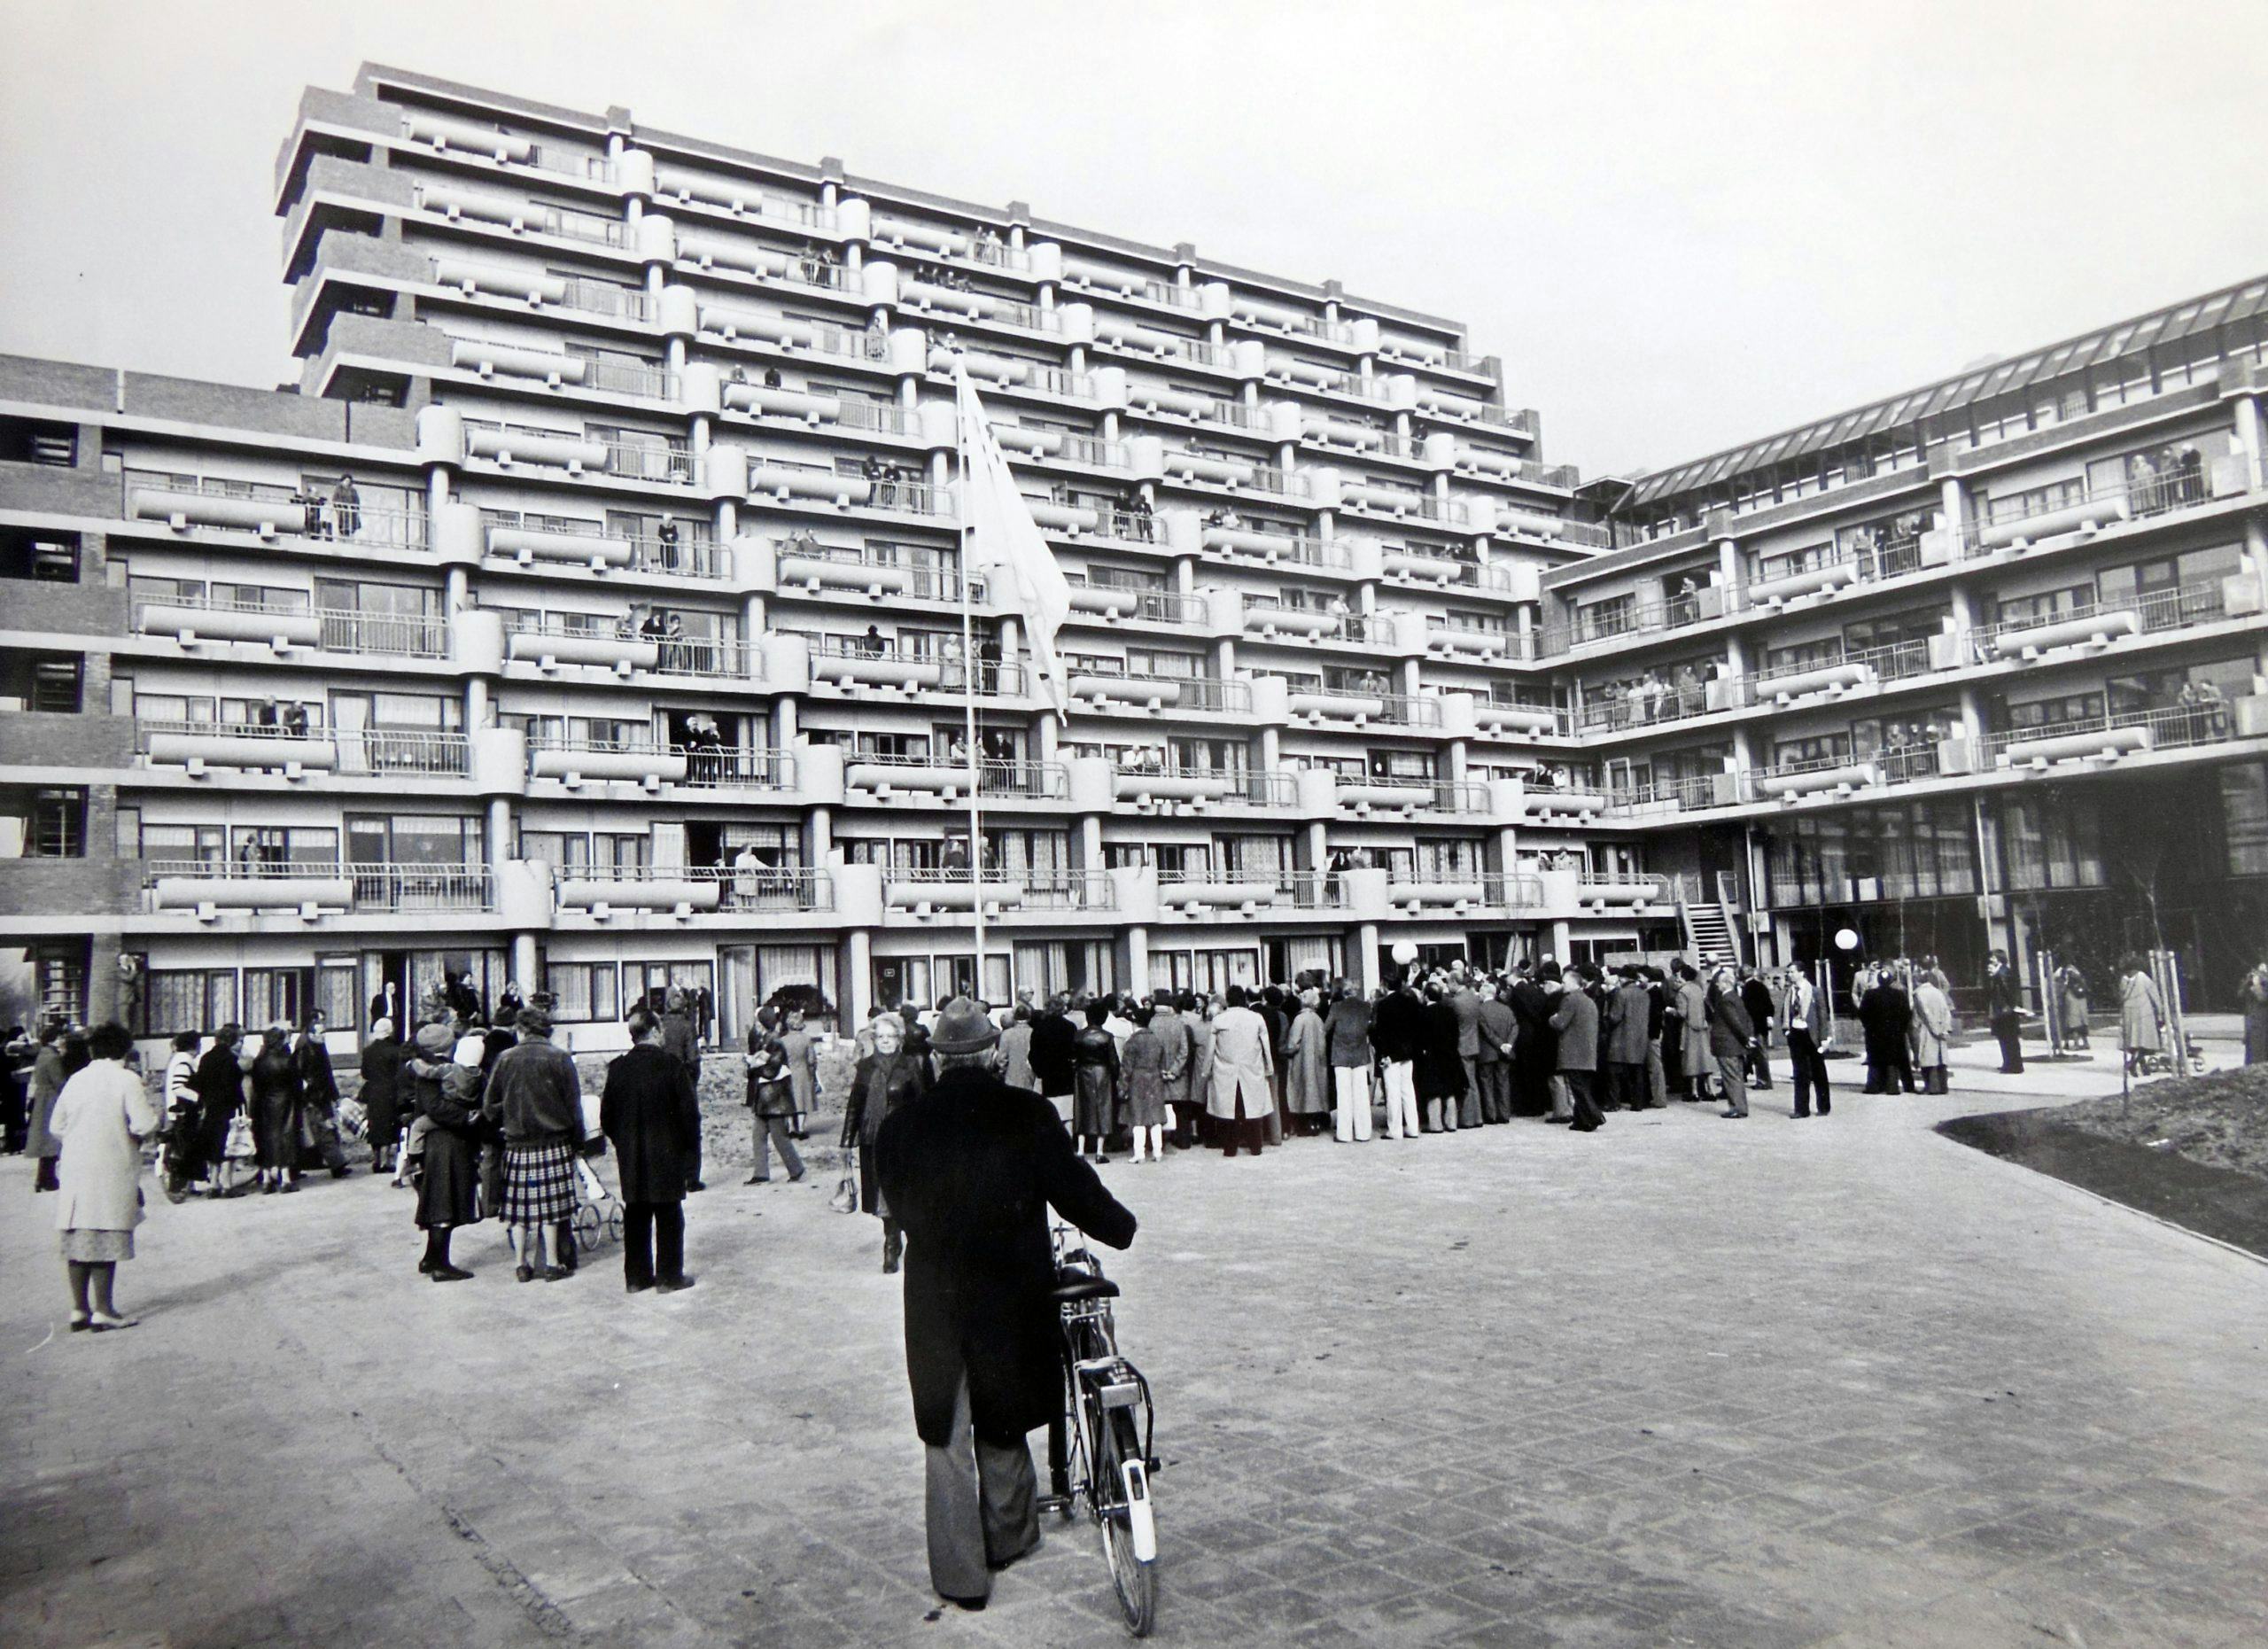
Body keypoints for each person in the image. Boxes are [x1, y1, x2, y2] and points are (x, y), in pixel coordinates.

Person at [872, 998, 1138, 1613]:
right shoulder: (1027, 1112)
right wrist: (1120, 1228)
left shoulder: (901, 1127)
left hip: (936, 1296)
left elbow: (896, 1205)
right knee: (1004, 1407)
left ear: (938, 1057)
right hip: (1011, 1290)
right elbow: (1075, 1189)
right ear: (993, 1052)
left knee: (946, 1424)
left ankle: (961, 1575)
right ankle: (1011, 1536)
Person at [49, 1023, 160, 1333]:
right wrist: (154, 1121)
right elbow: (142, 1124)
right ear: (124, 1049)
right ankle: (104, 1309)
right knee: (105, 1236)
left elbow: (56, 1126)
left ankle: (78, 1309)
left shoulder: (77, 1079)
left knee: (78, 1237)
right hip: (112, 1166)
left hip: (75, 1165)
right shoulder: (127, 1080)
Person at [602, 1007, 703, 1294]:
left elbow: (607, 1117)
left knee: (636, 1214)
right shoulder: (672, 1066)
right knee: (670, 1214)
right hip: (667, 1153)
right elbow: (689, 1116)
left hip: (631, 1155)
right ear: (655, 1032)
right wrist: (689, 1154)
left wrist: (623, 1142)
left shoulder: (618, 1068)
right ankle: (669, 1277)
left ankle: (636, 1277)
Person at [485, 1006, 586, 1282]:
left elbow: (489, 1106)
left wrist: (506, 1117)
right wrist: (579, 1141)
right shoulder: (560, 1058)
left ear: (520, 1030)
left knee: (520, 1210)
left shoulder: (505, 1058)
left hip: (518, 1144)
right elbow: (574, 1106)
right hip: (554, 1142)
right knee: (551, 1208)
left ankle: (521, 1263)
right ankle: (552, 1264)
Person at [843, 1015, 928, 1272]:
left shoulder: (910, 1065)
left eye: (890, 1037)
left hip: (904, 1142)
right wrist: (846, 1141)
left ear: (899, 1039)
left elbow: (922, 1104)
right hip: (874, 1142)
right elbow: (854, 1106)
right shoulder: (865, 1068)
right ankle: (891, 1242)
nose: (886, 1042)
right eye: (880, 1037)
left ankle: (904, 1239)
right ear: (873, 1039)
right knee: (883, 1194)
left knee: (903, 1192)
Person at [405, 1022, 481, 1281]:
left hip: (437, 1142)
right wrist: (467, 1118)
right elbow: (435, 1108)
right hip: (445, 1142)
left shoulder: (429, 1068)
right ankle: (441, 1263)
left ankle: (430, 1257)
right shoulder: (437, 1072)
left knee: (438, 1199)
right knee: (444, 1203)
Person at [1207, 985, 1274, 1157]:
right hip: (1252, 1069)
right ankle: (1256, 1147)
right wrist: (1269, 1067)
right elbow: (1266, 1046)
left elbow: (1210, 1049)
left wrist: (1205, 1070)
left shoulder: (1219, 1020)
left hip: (1225, 1071)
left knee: (1230, 1111)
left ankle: (1230, 1148)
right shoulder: (1256, 1018)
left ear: (1228, 1000)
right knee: (1253, 1109)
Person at [742, 1007, 805, 1186]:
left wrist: (752, 1066)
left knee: (777, 1136)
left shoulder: (774, 1042)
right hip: (768, 1098)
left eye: (757, 1022)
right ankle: (765, 1173)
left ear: (763, 1023)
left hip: (774, 1098)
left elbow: (771, 1071)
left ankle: (794, 1169)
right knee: (760, 1135)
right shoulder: (767, 1040)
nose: (756, 1025)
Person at [292, 1014, 353, 1179]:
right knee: (324, 1130)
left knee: (326, 1130)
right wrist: (312, 1097)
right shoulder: (306, 1052)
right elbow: (306, 1078)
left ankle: (332, 1162)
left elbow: (327, 1076)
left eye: (324, 1032)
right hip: (315, 1099)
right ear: (311, 1035)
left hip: (322, 1096)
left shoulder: (318, 1049)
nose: (324, 1035)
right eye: (320, 1032)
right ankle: (336, 1164)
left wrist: (335, 1095)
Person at [190, 1023, 247, 1195]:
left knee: (213, 1146)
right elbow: (235, 1085)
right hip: (227, 1107)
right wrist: (241, 1105)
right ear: (232, 1041)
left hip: (210, 1107)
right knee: (228, 1145)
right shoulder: (230, 1059)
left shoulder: (206, 1058)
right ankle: (227, 1185)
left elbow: (198, 1082)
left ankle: (213, 1185)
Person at [1548, 965, 1604, 1132]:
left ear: (1574, 983)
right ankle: (1581, 1121)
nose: (1563, 985)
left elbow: (1560, 1023)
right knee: (1582, 1086)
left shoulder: (1570, 999)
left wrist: (1553, 1018)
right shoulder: (1588, 1000)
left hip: (1573, 1053)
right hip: (1587, 1051)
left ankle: (1594, 1116)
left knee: (1578, 1088)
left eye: (1565, 982)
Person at [248, 1024, 303, 1194]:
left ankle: (266, 1180)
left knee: (265, 1138)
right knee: (285, 1137)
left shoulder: (258, 1061)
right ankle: (285, 1179)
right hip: (286, 1101)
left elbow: (256, 1085)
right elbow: (297, 1084)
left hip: (264, 1102)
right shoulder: (288, 1060)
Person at [1068, 1000, 1120, 1163]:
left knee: (1082, 1108)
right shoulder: (1107, 1037)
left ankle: (1081, 1150)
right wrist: (1115, 1076)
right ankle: (1099, 1151)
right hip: (1102, 1072)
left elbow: (1073, 1058)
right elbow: (1113, 1061)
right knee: (1103, 1109)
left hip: (1083, 1072)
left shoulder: (1078, 1035)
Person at [1323, 983, 1374, 1142]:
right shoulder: (1366, 1006)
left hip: (1341, 1055)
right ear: (1356, 991)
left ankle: (1344, 1134)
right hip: (1359, 1054)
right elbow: (1370, 1027)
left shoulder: (1336, 1007)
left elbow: (1326, 1028)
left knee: (1344, 1096)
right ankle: (1363, 1132)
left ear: (1342, 992)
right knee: (1361, 1095)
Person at [1705, 966, 1757, 1118]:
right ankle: (1741, 1107)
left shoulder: (1725, 1000)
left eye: (1718, 982)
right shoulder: (1735, 997)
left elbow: (1734, 1022)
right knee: (1736, 1076)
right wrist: (1748, 1038)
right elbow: (1746, 1019)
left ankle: (1737, 1108)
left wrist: (1746, 1038)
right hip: (1736, 1045)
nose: (1716, 985)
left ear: (1726, 983)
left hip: (1727, 1045)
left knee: (1730, 1077)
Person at [1119, 1006, 1168, 1163]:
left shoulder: (1132, 1042)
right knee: (1155, 1117)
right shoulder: (1157, 1040)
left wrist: (1122, 1087)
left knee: (1138, 1117)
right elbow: (1163, 1063)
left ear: (1135, 1023)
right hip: (1155, 1078)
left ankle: (1139, 1154)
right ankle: (1157, 1152)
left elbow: (1126, 1067)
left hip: (1137, 1079)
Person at [1507, 966, 1557, 1117]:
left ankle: (1530, 1106)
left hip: (1525, 1034)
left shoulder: (1518, 990)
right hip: (1534, 1034)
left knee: (1526, 1071)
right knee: (1534, 1071)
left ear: (1514, 975)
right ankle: (1538, 1104)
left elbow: (1526, 1010)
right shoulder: (1531, 989)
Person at [360, 1015, 407, 1176]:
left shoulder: (367, 1051)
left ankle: (376, 1159)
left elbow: (364, 1073)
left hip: (373, 1091)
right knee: (388, 1124)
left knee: (375, 1124)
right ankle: (387, 1161)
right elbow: (399, 1073)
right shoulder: (395, 1051)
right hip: (390, 1091)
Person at [26, 1022, 68, 1193]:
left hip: (42, 1098)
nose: (62, 1041)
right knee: (51, 1141)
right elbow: (59, 1081)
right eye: (60, 1038)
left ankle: (42, 1178)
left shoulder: (43, 1054)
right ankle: (47, 1179)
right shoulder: (53, 1058)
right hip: (51, 1100)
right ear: (54, 1039)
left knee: (44, 1141)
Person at [1602, 965, 1651, 1111]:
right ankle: (1638, 1103)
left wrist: (1606, 1016)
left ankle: (1613, 1103)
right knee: (1637, 1073)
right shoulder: (1645, 994)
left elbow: (1615, 1017)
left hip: (1621, 1038)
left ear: (1623, 978)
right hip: (1640, 1038)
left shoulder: (1621, 994)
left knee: (1614, 1073)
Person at [1859, 969, 1916, 1094]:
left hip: (1875, 1034)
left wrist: (1869, 1027)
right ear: (1890, 980)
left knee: (1875, 1060)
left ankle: (1874, 1086)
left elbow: (1862, 1013)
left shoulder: (1869, 994)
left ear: (1878, 980)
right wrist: (1901, 1028)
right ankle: (1893, 1086)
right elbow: (1906, 1014)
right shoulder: (1899, 994)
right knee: (1894, 1060)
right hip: (1895, 1034)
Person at [1281, 989, 1328, 1139]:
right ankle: (1315, 1122)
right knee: (1315, 1090)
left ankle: (1303, 1124)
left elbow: (1293, 1043)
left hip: (1301, 1061)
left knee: (1301, 1090)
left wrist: (1284, 1051)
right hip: (1317, 1061)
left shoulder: (1299, 1019)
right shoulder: (1318, 1019)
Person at [1784, 969, 1832, 1118]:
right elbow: (1785, 1012)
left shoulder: (1815, 991)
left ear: (1802, 973)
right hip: (1796, 1034)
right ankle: (1801, 1109)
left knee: (1818, 1072)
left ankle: (1823, 1107)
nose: (1789, 975)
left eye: (1792, 972)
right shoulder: (1789, 992)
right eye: (1788, 972)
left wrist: (1823, 1037)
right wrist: (1787, 1030)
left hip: (1811, 1035)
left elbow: (1822, 1016)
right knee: (1800, 1072)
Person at [1148, 996, 1192, 1147]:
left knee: (1155, 1109)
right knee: (1181, 1110)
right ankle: (1184, 1140)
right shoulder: (1179, 1024)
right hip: (1178, 1075)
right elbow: (1184, 1050)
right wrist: (1174, 1071)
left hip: (1157, 1074)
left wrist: (1159, 1071)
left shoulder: (1150, 1024)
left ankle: (1156, 1143)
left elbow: (1150, 1051)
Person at [2118, 955, 2169, 1077]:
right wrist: (2161, 1009)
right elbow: (2154, 993)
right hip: (2143, 1011)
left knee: (2134, 1042)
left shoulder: (2123, 980)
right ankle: (2132, 1063)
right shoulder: (2142, 977)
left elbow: (2121, 996)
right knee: (2144, 1042)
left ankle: (2143, 1067)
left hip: (2128, 1011)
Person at [1447, 976, 1485, 1129]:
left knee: (1465, 1083)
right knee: (1472, 1082)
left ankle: (1468, 1119)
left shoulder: (1455, 1002)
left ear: (1454, 982)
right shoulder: (1473, 998)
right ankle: (1477, 1116)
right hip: (1473, 1042)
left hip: (1461, 1045)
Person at [1911, 971, 1954, 1094]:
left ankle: (1931, 1087)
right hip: (1941, 1028)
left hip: (1927, 1029)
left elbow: (1925, 1013)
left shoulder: (1918, 993)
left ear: (1917, 981)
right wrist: (1946, 1028)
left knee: (1927, 1059)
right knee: (1940, 1059)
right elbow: (1946, 1011)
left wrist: (1934, 1030)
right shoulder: (1938, 992)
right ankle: (1943, 1086)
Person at [780, 1007, 819, 1140]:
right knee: (802, 1100)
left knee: (789, 1100)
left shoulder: (783, 1040)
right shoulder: (807, 1039)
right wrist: (813, 1072)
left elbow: (780, 1058)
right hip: (803, 1071)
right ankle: (801, 1129)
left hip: (787, 1072)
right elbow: (811, 1059)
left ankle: (791, 1127)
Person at [1984, 952, 2024, 1075]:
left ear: (2000, 959)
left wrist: (2010, 1007)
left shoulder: (2002, 973)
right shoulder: (2001, 972)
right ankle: (2009, 1063)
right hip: (2004, 1010)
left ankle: (2013, 1065)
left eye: (1994, 957)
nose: (1991, 959)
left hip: (2005, 1011)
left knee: (2008, 1038)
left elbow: (2007, 992)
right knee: (2006, 1038)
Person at [1740, 969, 1776, 1090]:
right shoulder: (1761, 986)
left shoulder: (1746, 989)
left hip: (1753, 1026)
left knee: (1759, 1054)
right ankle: (1763, 1080)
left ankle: (1763, 1081)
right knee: (1761, 1054)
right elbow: (1770, 1006)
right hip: (1761, 1025)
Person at [2059, 963, 2094, 1051]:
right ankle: (2086, 1043)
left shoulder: (2065, 974)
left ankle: (2076, 1043)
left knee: (2073, 1023)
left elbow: (2063, 989)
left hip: (2072, 1000)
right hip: (2082, 1001)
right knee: (2082, 1022)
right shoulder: (2079, 975)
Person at [2241, 959, 2268, 1065]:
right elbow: (2241, 994)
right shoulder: (2253, 982)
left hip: (2263, 1026)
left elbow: (2263, 998)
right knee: (2252, 1057)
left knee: (2260, 1059)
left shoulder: (2262, 984)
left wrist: (2257, 985)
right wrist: (2249, 981)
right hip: (2254, 1024)